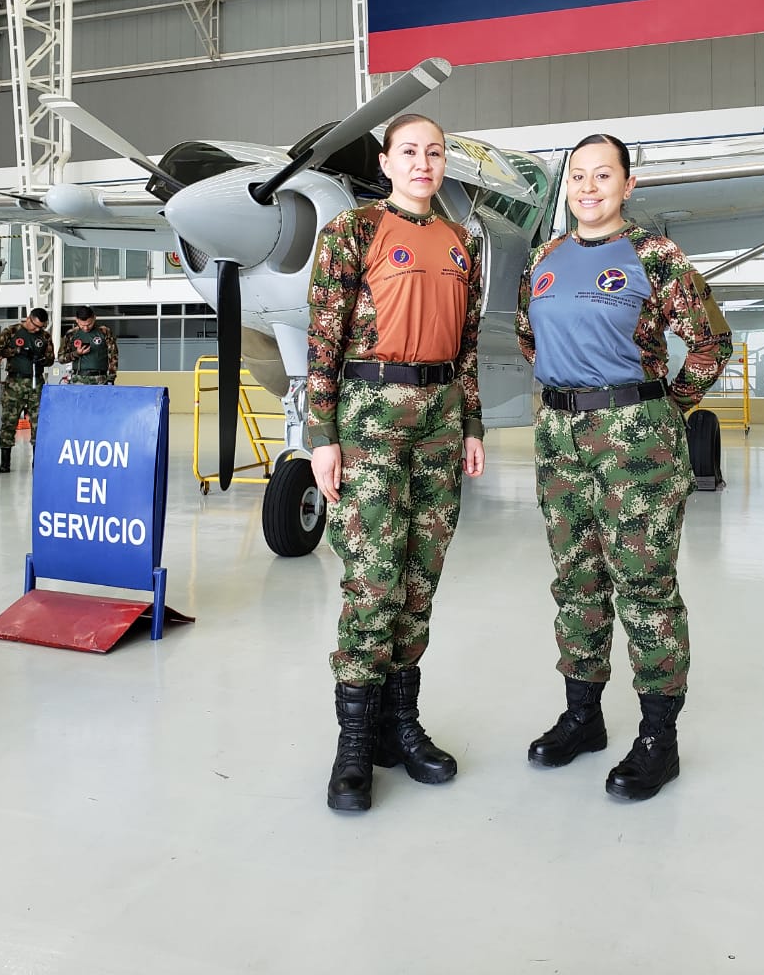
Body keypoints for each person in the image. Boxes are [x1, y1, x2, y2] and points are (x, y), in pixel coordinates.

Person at [516, 134, 732, 801]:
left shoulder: (654, 256)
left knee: (643, 585)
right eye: (577, 176)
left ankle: (656, 740)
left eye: (602, 175)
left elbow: (710, 341)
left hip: (634, 436)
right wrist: (570, 391)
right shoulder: (546, 257)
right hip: (559, 436)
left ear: (627, 185)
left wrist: (667, 409)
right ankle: (583, 719)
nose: (588, 187)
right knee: (575, 580)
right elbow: (530, 335)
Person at [307, 113, 485, 813]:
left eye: (435, 152)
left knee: (419, 580)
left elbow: (467, 348)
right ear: (385, 161)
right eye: (409, 151)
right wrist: (321, 433)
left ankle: (399, 726)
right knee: (373, 581)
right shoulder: (351, 233)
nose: (422, 163)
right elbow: (324, 339)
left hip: (440, 420)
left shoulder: (461, 241)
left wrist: (470, 422)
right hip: (369, 418)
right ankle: (355, 743)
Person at [0, 308, 55, 472]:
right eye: (35, 326)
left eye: (40, 327)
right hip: (15, 382)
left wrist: (41, 359)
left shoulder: (45, 336)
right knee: (9, 420)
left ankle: (38, 460)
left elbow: (50, 359)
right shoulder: (12, 331)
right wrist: (17, 351)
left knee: (38, 422)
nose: (37, 330)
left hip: (36, 382)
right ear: (29, 318)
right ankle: (5, 462)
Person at [58, 306, 118, 384]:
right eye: (82, 325)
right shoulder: (71, 334)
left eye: (89, 324)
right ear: (77, 320)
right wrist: (76, 353)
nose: (86, 328)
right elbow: (61, 359)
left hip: (100, 379)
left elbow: (113, 356)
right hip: (78, 379)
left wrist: (111, 378)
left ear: (94, 318)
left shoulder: (104, 331)